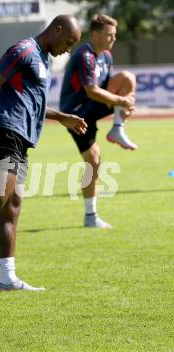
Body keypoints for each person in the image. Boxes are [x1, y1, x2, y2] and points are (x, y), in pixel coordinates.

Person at [0, 15, 87, 291]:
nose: (68, 49)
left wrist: (62, 117)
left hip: (23, 138)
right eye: (68, 42)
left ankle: (7, 278)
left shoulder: (44, 60)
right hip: (6, 129)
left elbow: (34, 103)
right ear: (56, 30)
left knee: (13, 206)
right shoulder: (23, 50)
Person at [59, 14, 137, 228]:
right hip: (76, 114)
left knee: (126, 79)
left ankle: (118, 128)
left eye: (114, 35)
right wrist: (122, 101)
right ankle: (90, 217)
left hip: (90, 110)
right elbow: (92, 91)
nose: (113, 39)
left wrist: (122, 105)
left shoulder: (106, 56)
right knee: (93, 161)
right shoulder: (85, 54)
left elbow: (107, 88)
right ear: (95, 34)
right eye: (109, 35)